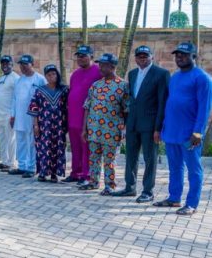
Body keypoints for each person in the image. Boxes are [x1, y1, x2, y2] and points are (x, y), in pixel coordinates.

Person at [154, 42, 212, 216]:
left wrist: (198, 132)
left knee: (194, 170)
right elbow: (170, 104)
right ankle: (174, 198)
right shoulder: (175, 77)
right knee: (175, 167)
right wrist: (163, 128)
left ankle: (192, 204)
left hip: (190, 134)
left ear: (194, 56)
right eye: (178, 55)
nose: (180, 58)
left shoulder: (202, 78)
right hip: (172, 132)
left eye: (184, 55)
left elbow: (204, 108)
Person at [113, 46, 169, 202]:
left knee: (150, 158)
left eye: (145, 56)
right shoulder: (132, 74)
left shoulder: (161, 74)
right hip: (133, 123)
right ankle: (129, 187)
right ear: (135, 58)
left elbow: (162, 103)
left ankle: (148, 191)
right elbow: (132, 100)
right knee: (130, 156)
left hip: (150, 125)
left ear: (152, 57)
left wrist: (158, 128)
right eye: (139, 56)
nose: (142, 58)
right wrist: (126, 124)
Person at [80, 53, 129, 195]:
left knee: (109, 160)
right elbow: (87, 107)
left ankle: (109, 186)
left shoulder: (123, 85)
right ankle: (93, 182)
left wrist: (124, 129)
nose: (100, 68)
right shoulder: (96, 85)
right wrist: (84, 129)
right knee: (94, 158)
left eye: (104, 65)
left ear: (112, 67)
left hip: (112, 131)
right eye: (100, 65)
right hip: (94, 129)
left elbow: (127, 110)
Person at [66, 45, 102, 184]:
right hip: (73, 118)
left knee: (87, 148)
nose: (80, 58)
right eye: (78, 56)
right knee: (75, 148)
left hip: (88, 118)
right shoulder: (75, 74)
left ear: (91, 56)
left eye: (83, 55)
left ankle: (87, 175)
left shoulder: (98, 72)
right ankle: (76, 172)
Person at [28, 64, 69, 182]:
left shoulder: (64, 90)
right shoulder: (40, 91)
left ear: (57, 75)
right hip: (44, 125)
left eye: (53, 74)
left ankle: (54, 174)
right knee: (43, 148)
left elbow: (68, 107)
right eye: (49, 75)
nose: (51, 76)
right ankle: (42, 172)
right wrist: (36, 125)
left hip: (59, 125)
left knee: (58, 148)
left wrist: (67, 125)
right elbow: (34, 108)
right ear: (45, 76)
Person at [10, 54, 45, 178]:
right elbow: (14, 99)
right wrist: (12, 115)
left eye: (26, 64)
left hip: (33, 118)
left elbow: (44, 98)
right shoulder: (19, 80)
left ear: (32, 64)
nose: (23, 67)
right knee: (21, 142)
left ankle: (31, 167)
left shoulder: (40, 79)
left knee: (32, 142)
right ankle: (22, 166)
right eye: (21, 64)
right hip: (19, 116)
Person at [0, 55, 19, 172]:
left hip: (9, 115)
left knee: (11, 140)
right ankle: (4, 161)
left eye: (7, 64)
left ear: (12, 65)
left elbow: (17, 98)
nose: (5, 66)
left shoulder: (16, 78)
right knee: (2, 139)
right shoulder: (0, 78)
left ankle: (11, 163)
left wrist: (14, 115)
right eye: (3, 64)